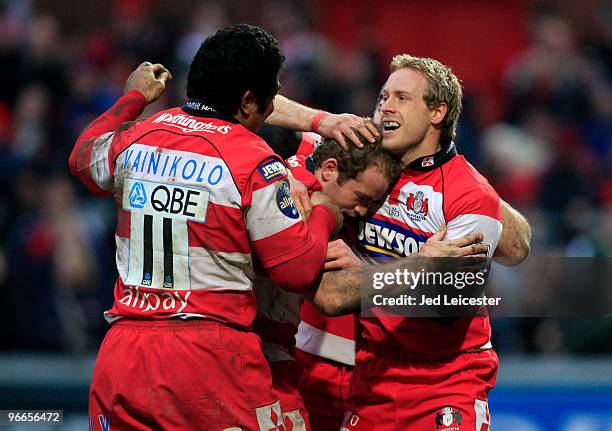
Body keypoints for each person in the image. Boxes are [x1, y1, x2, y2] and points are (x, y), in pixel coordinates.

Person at [69, 24, 346, 431]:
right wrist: (325, 211)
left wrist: (133, 97)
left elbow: (82, 162)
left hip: (123, 353)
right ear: (249, 101)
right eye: (270, 100)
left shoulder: (142, 134)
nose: (271, 112)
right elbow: (296, 269)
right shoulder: (254, 160)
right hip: (209, 357)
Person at [268, 54, 532, 430]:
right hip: (366, 369)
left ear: (438, 112)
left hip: (443, 382)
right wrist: (285, 165)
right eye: (383, 97)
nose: (385, 107)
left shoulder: (467, 195)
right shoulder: (351, 151)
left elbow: (445, 308)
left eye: (401, 98)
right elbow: (249, 104)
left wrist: (364, 274)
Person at [253, 131, 400, 430]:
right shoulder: (288, 192)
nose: (361, 212)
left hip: (305, 357)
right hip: (270, 357)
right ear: (330, 169)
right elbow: (318, 290)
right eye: (360, 199)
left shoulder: (307, 158)